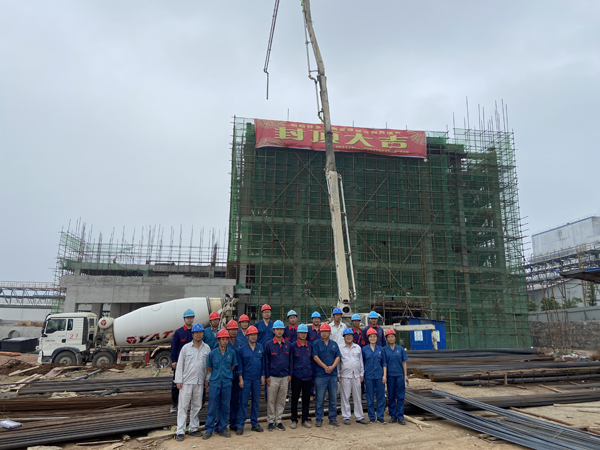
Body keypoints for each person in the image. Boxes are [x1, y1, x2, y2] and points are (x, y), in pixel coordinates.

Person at [174, 323, 211, 441]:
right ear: (193, 334)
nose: (199, 334)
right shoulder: (186, 348)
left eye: (201, 332)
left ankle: (193, 428)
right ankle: (180, 431)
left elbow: (208, 366)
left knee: (197, 405)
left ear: (203, 334)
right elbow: (180, 365)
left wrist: (207, 378)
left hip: (200, 382)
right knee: (183, 406)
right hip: (186, 382)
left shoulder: (207, 348)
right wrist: (178, 380)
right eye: (196, 333)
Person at [203, 329, 238, 440]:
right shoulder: (213, 353)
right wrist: (217, 374)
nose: (225, 341)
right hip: (215, 383)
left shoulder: (231, 353)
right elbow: (209, 367)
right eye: (222, 339)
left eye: (226, 339)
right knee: (212, 406)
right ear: (218, 340)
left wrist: (225, 374)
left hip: (227, 383)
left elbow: (233, 366)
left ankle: (222, 427)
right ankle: (209, 429)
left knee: (225, 406)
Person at [236, 325, 265, 435]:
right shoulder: (242, 349)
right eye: (251, 335)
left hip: (257, 379)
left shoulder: (260, 347)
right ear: (247, 336)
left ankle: (254, 423)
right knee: (243, 402)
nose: (253, 336)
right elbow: (240, 365)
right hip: (246, 379)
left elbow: (262, 363)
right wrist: (240, 379)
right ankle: (240, 424)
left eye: (255, 334)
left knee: (256, 402)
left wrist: (262, 376)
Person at [312, 322, 341, 427]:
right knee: (320, 398)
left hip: (332, 375)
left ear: (329, 333)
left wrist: (332, 367)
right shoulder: (316, 343)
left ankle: (332, 418)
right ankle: (319, 418)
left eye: (326, 331)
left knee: (333, 398)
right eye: (322, 331)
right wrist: (325, 367)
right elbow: (315, 357)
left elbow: (338, 357)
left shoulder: (334, 344)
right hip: (321, 375)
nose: (324, 333)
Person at [264, 320, 291, 431]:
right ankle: (271, 421)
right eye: (277, 329)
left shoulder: (288, 345)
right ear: (274, 331)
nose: (279, 331)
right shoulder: (269, 345)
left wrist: (290, 374)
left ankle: (278, 420)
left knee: (281, 400)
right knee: (271, 400)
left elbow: (291, 361)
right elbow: (266, 362)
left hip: (284, 377)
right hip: (273, 377)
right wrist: (267, 376)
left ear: (283, 331)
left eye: (281, 329)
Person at [338, 328, 367, 426]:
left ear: (353, 337)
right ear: (344, 337)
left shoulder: (357, 347)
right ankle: (346, 416)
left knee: (357, 396)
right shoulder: (340, 348)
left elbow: (361, 361)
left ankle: (359, 416)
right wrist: (338, 374)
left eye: (350, 335)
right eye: (347, 336)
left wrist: (361, 373)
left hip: (356, 375)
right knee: (345, 397)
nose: (348, 337)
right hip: (345, 375)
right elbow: (338, 362)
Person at [170, 308, 195, 413]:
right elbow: (174, 347)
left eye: (191, 318)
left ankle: (190, 404)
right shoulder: (178, 332)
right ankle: (175, 404)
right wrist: (174, 360)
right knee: (177, 384)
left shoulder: (195, 331)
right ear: (184, 319)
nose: (189, 320)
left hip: (192, 363)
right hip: (180, 363)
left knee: (191, 384)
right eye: (187, 318)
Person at [383, 329, 408, 425]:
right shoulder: (384, 350)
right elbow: (384, 363)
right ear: (386, 338)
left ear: (395, 337)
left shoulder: (400, 349)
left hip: (399, 375)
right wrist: (385, 375)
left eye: (392, 336)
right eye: (389, 337)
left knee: (400, 396)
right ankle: (393, 415)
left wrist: (405, 375)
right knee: (391, 396)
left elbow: (404, 362)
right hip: (390, 376)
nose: (391, 338)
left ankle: (400, 416)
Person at [289, 323, 312, 429]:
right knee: (294, 398)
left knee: (306, 399)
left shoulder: (309, 346)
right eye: (301, 333)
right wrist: (291, 374)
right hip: (297, 376)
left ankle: (305, 419)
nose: (303, 335)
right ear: (297, 334)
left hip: (308, 376)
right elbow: (291, 361)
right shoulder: (293, 346)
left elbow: (312, 361)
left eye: (305, 333)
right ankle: (294, 419)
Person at [362, 328, 387, 424]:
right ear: (368, 338)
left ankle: (380, 416)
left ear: (377, 338)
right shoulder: (364, 349)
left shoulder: (381, 349)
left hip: (379, 376)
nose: (373, 338)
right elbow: (362, 363)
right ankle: (372, 417)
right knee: (370, 397)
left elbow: (384, 363)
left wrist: (384, 375)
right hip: (369, 376)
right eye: (371, 336)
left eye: (374, 336)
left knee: (381, 397)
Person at [226, 320, 244, 431]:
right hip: (225, 377)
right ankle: (222, 424)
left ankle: (233, 423)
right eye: (231, 329)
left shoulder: (240, 343)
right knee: (224, 401)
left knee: (235, 400)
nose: (233, 331)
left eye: (235, 329)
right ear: (227, 330)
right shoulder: (222, 342)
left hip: (237, 377)